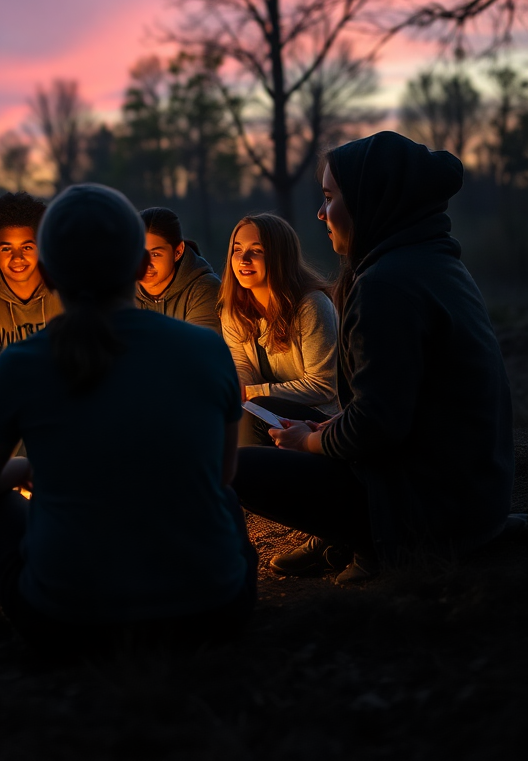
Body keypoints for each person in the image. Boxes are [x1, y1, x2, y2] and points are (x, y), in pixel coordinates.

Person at [0, 184, 256, 649]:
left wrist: (35, 468)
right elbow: (222, 473)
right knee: (225, 500)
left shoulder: (22, 363)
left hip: (70, 622)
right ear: (139, 266)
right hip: (213, 612)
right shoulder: (208, 349)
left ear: (49, 274)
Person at [233, 132, 515, 583]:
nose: (321, 213)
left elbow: (377, 424)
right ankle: (340, 535)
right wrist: (322, 428)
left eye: (329, 197)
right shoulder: (432, 261)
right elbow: (400, 400)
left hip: (428, 509)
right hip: (469, 491)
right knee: (277, 412)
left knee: (238, 467)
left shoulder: (386, 285)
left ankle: (376, 546)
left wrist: (309, 441)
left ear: (371, 199)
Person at [218, 213, 338, 448]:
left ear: (280, 256)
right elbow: (242, 366)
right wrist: (237, 385)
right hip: (265, 411)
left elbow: (323, 386)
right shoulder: (233, 310)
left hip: (320, 421)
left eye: (257, 250)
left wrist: (253, 393)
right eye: (237, 249)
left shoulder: (311, 305)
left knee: (249, 415)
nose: (244, 259)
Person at [0, 192, 63, 424]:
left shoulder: (64, 291)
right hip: (7, 388)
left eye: (27, 248)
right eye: (7, 249)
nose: (17, 257)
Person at [136, 207, 221, 331]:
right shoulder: (121, 291)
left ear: (178, 252)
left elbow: (197, 347)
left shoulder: (203, 291)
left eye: (155, 254)